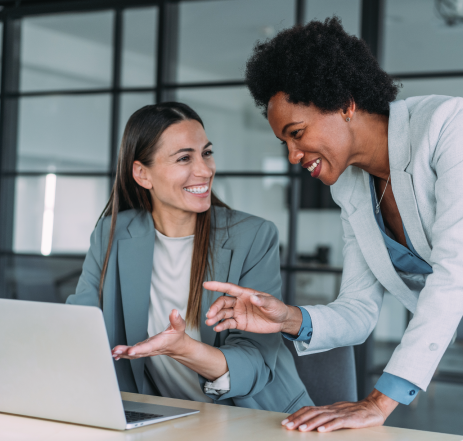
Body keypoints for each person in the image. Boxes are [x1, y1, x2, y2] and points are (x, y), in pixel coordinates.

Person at [203, 18, 463, 441]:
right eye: (285, 143)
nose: (292, 155)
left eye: (297, 134)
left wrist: (379, 402)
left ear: (344, 104)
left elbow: (455, 272)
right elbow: (358, 309)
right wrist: (286, 318)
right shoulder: (352, 188)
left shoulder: (451, 126)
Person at [66, 102, 313, 413]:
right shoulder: (112, 233)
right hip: (163, 419)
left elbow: (256, 362)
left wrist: (185, 350)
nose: (205, 170)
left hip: (258, 416)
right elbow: (77, 327)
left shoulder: (253, 236)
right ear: (143, 174)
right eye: (184, 158)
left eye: (206, 153)